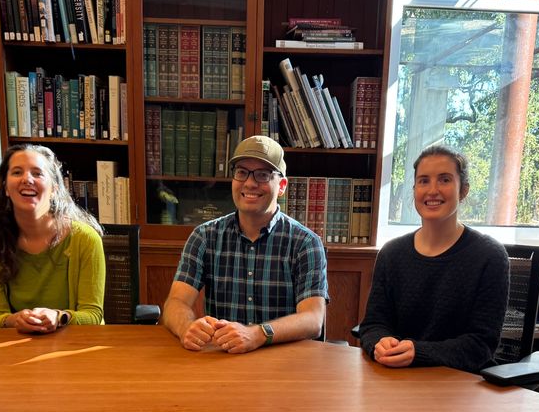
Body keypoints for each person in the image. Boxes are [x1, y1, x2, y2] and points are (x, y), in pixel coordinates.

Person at [163, 135, 328, 353]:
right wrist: (186, 327)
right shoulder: (204, 237)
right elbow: (175, 302)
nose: (250, 183)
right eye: (242, 172)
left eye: (263, 175)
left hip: (283, 361)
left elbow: (313, 319)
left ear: (282, 186)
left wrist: (258, 334)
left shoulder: (305, 243)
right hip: (223, 357)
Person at [358, 144, 508, 372]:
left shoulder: (489, 256)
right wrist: (379, 343)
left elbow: (481, 344)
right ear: (414, 189)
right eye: (424, 181)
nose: (432, 190)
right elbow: (373, 324)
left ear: (463, 190)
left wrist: (418, 353)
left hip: (461, 382)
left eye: (445, 180)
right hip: (397, 377)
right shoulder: (391, 253)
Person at [0, 144, 105, 332]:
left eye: (37, 173)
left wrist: (59, 317)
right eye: (17, 172)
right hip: (17, 342)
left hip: (76, 342)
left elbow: (92, 315)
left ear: (54, 189)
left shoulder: (85, 239)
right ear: (5, 188)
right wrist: (15, 319)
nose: (27, 179)